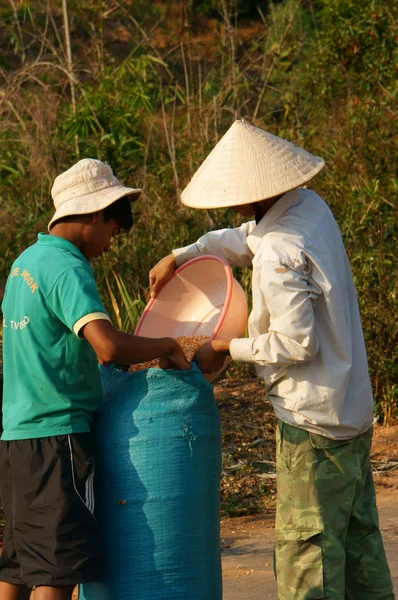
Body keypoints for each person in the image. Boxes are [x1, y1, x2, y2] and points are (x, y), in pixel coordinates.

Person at [149, 120, 395, 599]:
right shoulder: (307, 208)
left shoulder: (279, 251)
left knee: (308, 559)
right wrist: (185, 253)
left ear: (249, 193)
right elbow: (249, 238)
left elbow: (295, 344)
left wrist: (224, 346)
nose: (234, 205)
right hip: (351, 411)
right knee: (357, 546)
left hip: (313, 423)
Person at [0, 158, 191, 600]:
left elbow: (54, 349)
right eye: (112, 231)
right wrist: (165, 345)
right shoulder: (69, 267)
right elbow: (106, 344)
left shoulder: (23, 264)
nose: (109, 245)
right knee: (58, 570)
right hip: (59, 438)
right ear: (93, 214)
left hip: (17, 439)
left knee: (18, 563)